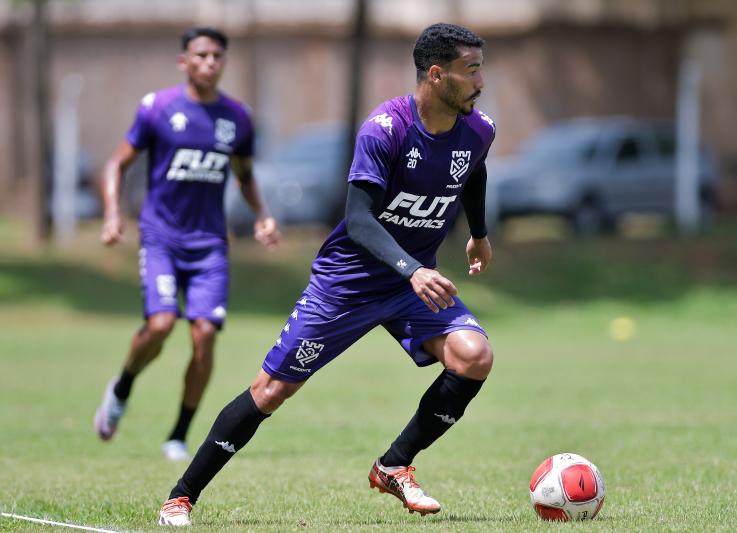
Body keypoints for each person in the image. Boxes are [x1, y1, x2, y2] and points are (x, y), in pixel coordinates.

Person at [157, 22, 495, 526]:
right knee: (270, 392)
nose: (481, 82)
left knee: (474, 356)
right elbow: (358, 221)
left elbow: (473, 170)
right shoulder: (386, 130)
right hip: (348, 284)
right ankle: (181, 496)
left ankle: (394, 465)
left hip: (410, 286)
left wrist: (479, 232)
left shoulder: (478, 129)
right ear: (436, 74)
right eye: (471, 71)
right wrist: (411, 270)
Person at [94, 27, 281, 462]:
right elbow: (116, 164)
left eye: (218, 56)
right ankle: (121, 388)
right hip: (161, 237)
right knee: (160, 325)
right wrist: (111, 214)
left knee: (205, 338)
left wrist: (263, 215)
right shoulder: (157, 108)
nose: (210, 63)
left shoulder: (238, 117)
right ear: (184, 61)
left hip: (210, 245)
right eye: (201, 55)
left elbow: (244, 173)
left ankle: (178, 434)